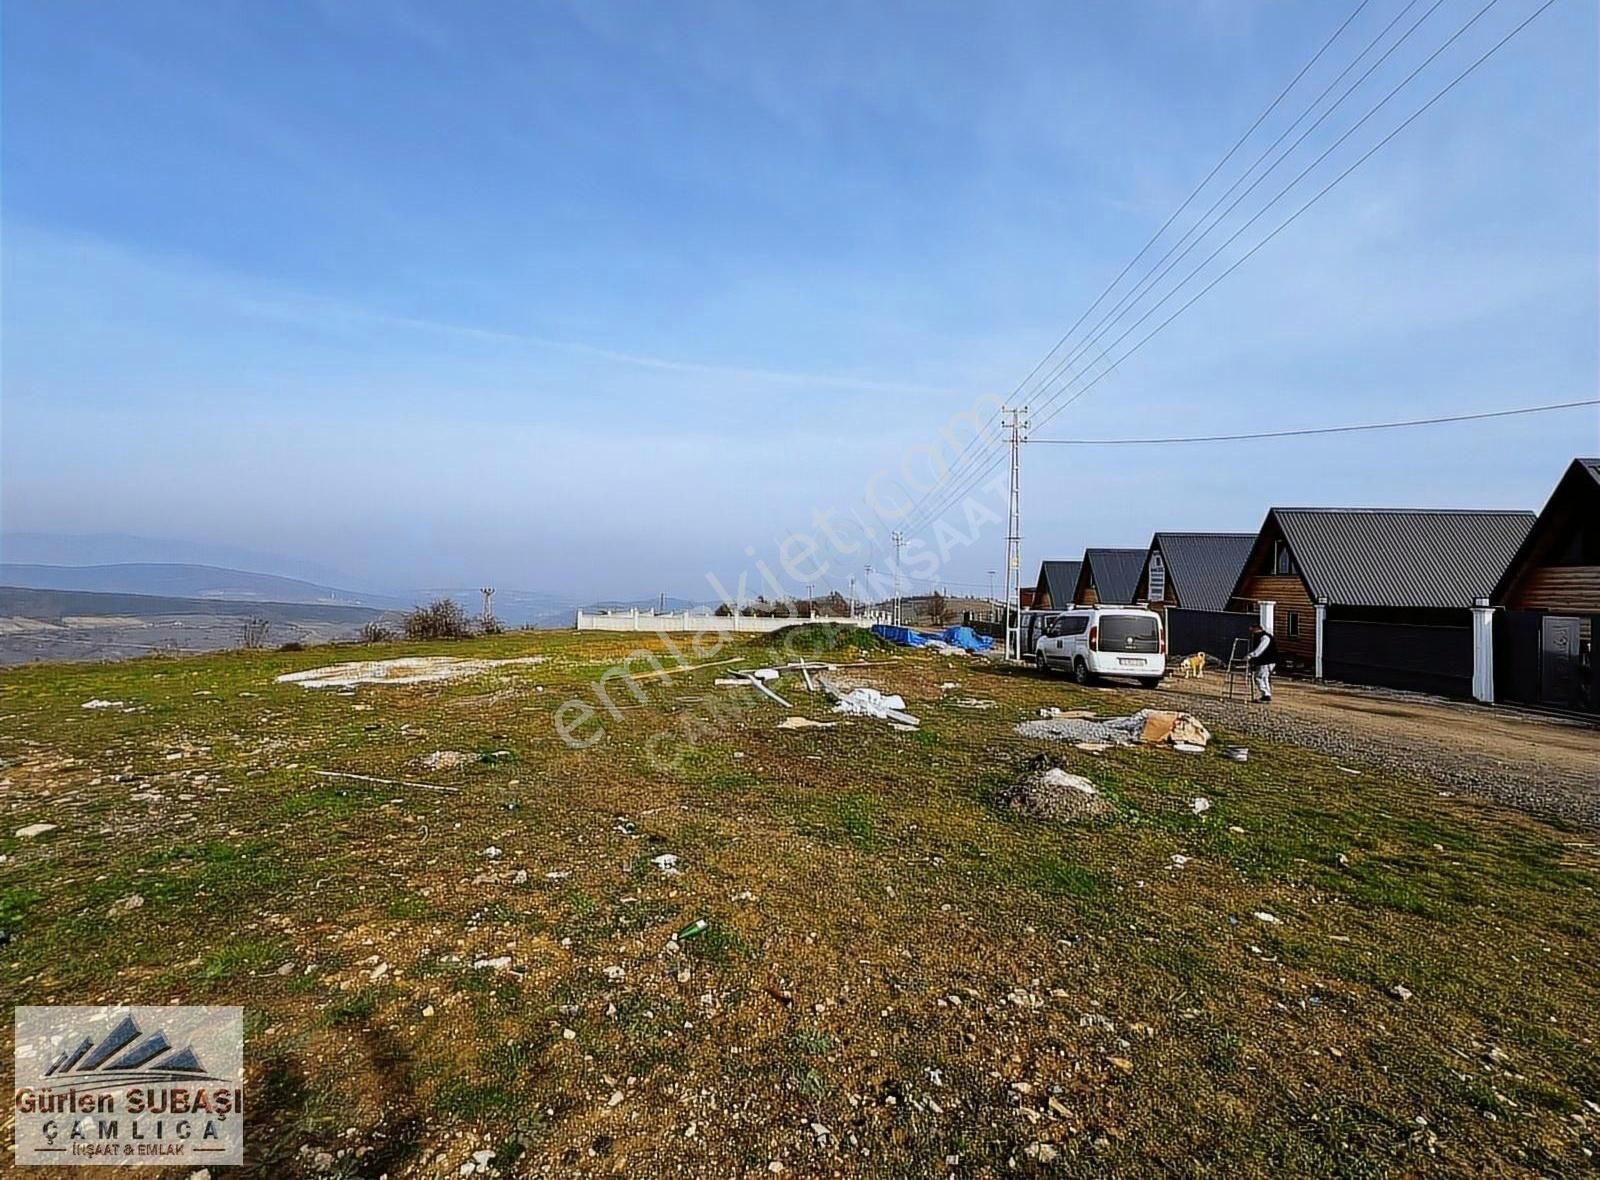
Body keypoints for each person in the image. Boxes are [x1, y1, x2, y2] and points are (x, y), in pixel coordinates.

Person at [1247, 622, 1279, 703]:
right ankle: (1266, 694)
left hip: (1267, 661)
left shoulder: (1265, 637)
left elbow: (1260, 649)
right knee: (1264, 678)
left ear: (1256, 629)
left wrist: (1251, 655)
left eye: (1252, 631)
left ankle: (1266, 695)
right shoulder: (1262, 637)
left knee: (1259, 677)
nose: (1252, 633)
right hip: (1265, 661)